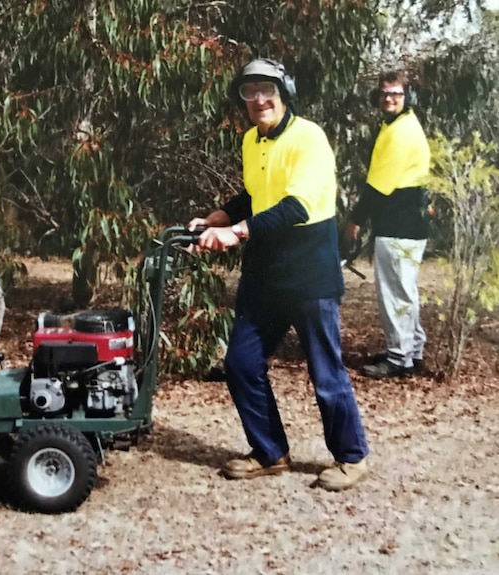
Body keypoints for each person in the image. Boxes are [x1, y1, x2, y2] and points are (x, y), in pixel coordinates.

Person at [189, 58, 370, 491]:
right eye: (249, 91)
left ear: (284, 91)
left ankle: (351, 457)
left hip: (309, 273)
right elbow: (257, 194)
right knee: (241, 363)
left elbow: (296, 206)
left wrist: (234, 232)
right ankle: (271, 453)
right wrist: (221, 214)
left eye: (266, 89)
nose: (258, 99)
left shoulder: (309, 138)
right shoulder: (253, 140)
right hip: (265, 274)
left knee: (325, 373)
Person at [347, 70, 430, 379]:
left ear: (407, 97)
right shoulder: (396, 126)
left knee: (395, 293)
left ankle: (399, 357)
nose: (389, 98)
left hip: (399, 225)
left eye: (395, 93)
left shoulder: (400, 132)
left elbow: (377, 186)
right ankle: (411, 350)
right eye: (384, 93)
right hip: (404, 225)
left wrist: (355, 219)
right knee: (404, 290)